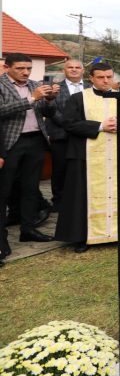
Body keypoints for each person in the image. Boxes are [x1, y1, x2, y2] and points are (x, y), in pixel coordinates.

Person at [54, 62, 119, 253]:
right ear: (91, 78)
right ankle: (83, 236)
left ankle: (116, 233)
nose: (105, 80)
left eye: (109, 76)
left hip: (116, 156)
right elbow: (69, 123)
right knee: (81, 197)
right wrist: (100, 126)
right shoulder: (78, 98)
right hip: (86, 156)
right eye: (101, 77)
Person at [0, 53, 59, 261]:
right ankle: (1, 240)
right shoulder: (1, 85)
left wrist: (50, 99)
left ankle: (28, 230)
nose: (25, 72)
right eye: (20, 68)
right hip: (10, 143)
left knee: (30, 189)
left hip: (35, 141)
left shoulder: (35, 84)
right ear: (7, 67)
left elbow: (48, 112)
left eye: (28, 68)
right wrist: (31, 99)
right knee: (4, 191)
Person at [45, 58, 85, 212]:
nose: (74, 70)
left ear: (83, 70)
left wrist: (82, 128)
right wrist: (72, 126)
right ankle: (59, 202)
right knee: (60, 170)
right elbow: (51, 111)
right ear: (64, 70)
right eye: (70, 67)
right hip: (61, 135)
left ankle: (79, 200)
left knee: (80, 169)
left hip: (85, 136)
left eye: (77, 67)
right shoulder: (55, 88)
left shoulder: (90, 87)